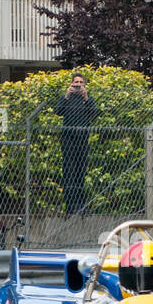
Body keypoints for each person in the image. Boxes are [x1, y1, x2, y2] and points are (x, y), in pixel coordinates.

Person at [54, 72, 98, 215]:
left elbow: (94, 114)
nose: (78, 85)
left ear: (84, 85)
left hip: (82, 141)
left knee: (81, 173)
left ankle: (81, 206)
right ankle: (70, 206)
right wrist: (66, 96)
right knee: (69, 173)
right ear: (71, 84)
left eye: (81, 83)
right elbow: (58, 111)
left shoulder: (88, 99)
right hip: (68, 141)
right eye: (75, 83)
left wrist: (85, 98)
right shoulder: (66, 98)